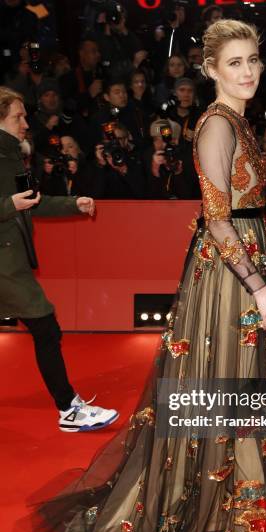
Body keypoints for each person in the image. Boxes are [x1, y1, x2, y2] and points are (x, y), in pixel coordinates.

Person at [22, 21, 266, 532]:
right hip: (233, 270)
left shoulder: (239, 120)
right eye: (234, 62)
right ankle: (227, 500)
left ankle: (244, 493)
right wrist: (259, 288)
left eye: (253, 61)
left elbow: (247, 201)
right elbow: (216, 217)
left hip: (249, 251)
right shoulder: (215, 122)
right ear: (210, 69)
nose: (248, 71)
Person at [0, 86, 118, 432]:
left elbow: (31, 200)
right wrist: (10, 206)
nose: (25, 122)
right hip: (4, 262)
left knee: (44, 328)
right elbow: (17, 203)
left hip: (10, 256)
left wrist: (73, 203)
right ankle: (68, 409)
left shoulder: (12, 155)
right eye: (17, 116)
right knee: (45, 325)